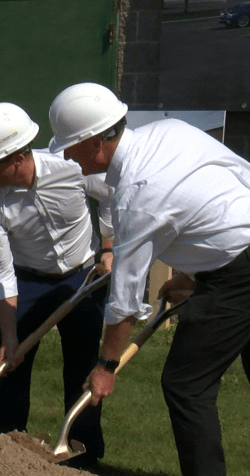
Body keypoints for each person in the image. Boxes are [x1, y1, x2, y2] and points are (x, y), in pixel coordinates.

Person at [48, 82, 250, 476]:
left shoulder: (136, 193)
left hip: (239, 277)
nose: (68, 156)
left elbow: (124, 300)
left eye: (70, 146)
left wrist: (106, 365)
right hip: (234, 263)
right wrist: (195, 274)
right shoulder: (170, 131)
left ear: (95, 143)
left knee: (186, 385)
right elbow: (228, 189)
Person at [0, 102, 114, 469]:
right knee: (13, 364)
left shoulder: (72, 167)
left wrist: (108, 247)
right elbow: (0, 273)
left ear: (16, 158)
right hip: (28, 280)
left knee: (83, 367)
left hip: (83, 276)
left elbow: (111, 195)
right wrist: (9, 335)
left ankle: (84, 455)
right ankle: (9, 452)